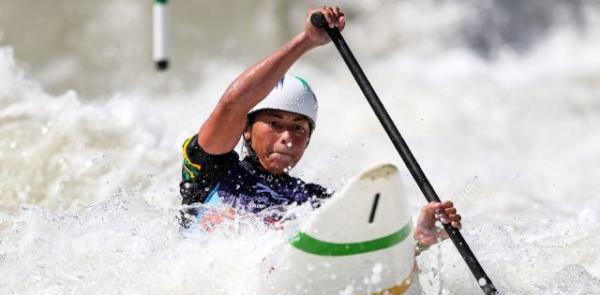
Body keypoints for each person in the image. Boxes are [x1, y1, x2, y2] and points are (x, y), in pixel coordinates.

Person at [179, 6, 461, 249]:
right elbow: (232, 105)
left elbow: (363, 261)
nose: (287, 138)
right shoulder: (211, 169)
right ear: (247, 129)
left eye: (299, 129)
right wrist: (306, 41)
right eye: (275, 124)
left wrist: (417, 241)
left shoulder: (316, 203)